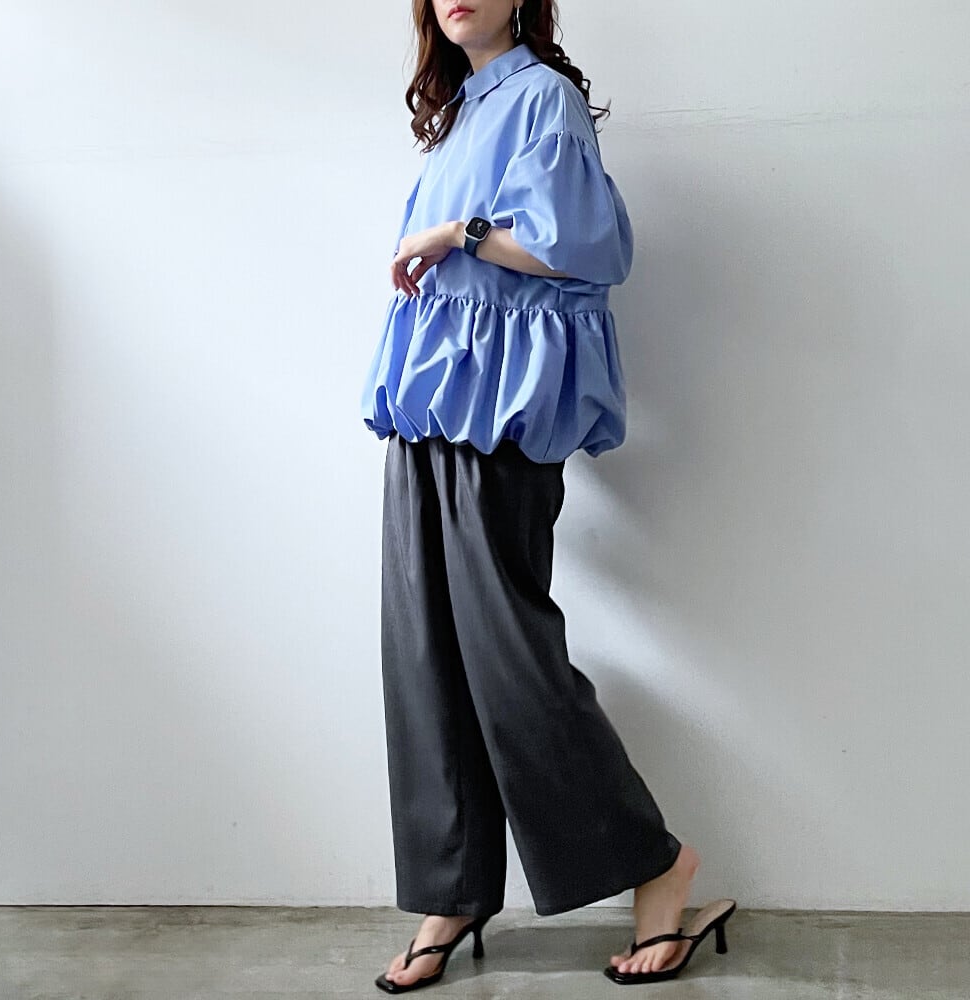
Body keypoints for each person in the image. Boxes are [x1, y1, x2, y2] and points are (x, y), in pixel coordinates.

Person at [359, 1, 735, 991]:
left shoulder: (543, 99)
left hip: (503, 410)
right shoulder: (461, 113)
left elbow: (579, 249)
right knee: (426, 654)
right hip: (429, 405)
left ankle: (656, 862)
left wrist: (457, 232)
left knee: (508, 656)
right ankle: (453, 889)